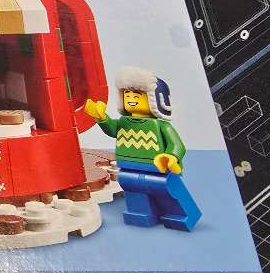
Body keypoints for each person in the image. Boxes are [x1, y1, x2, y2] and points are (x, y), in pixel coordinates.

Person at [85, 66, 202, 232]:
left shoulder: (161, 125)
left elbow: (176, 145)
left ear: (154, 100)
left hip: (158, 169)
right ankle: (141, 214)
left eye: (137, 95)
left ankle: (180, 215)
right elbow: (113, 130)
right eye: (127, 95)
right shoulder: (124, 122)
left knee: (167, 191)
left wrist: (171, 156)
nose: (131, 99)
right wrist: (102, 118)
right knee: (133, 189)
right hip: (128, 167)